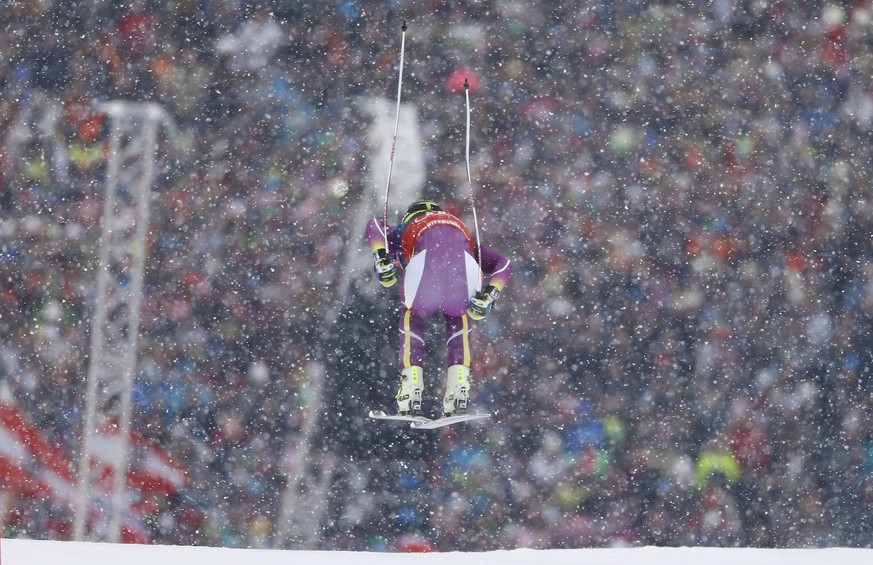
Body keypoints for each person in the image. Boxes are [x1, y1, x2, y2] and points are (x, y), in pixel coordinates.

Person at [365, 200, 512, 416]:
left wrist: (380, 256)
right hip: (464, 267)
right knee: (459, 316)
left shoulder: (407, 227)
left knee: (411, 315)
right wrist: (491, 294)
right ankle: (459, 384)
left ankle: (411, 384)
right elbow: (504, 263)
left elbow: (373, 226)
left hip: (426, 267)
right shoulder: (458, 227)